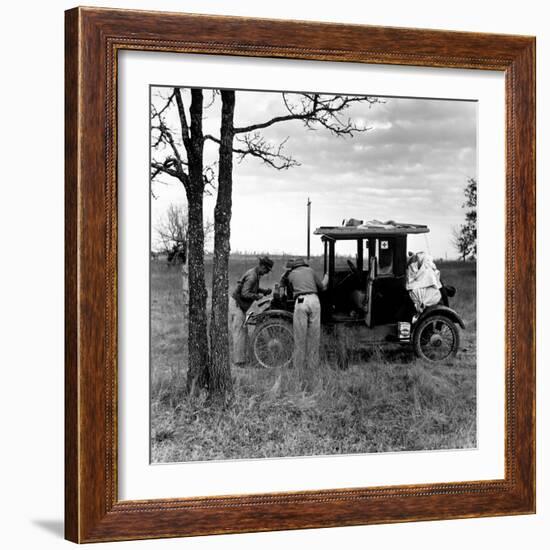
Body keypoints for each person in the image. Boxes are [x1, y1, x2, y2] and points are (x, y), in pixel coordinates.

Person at [229, 256, 274, 365]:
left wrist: (263, 291)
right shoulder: (252, 276)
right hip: (237, 305)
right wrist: (256, 296)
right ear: (262, 266)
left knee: (243, 332)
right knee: (239, 333)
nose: (266, 273)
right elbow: (245, 293)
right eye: (266, 270)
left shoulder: (255, 274)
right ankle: (239, 362)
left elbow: (252, 288)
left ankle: (242, 360)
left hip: (240, 305)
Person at [285, 258, 328, 370]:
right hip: (314, 300)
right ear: (304, 264)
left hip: (301, 300)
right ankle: (312, 366)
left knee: (300, 336)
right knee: (314, 336)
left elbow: (288, 289)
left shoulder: (291, 274)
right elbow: (322, 287)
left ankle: (298, 367)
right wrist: (327, 277)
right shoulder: (311, 271)